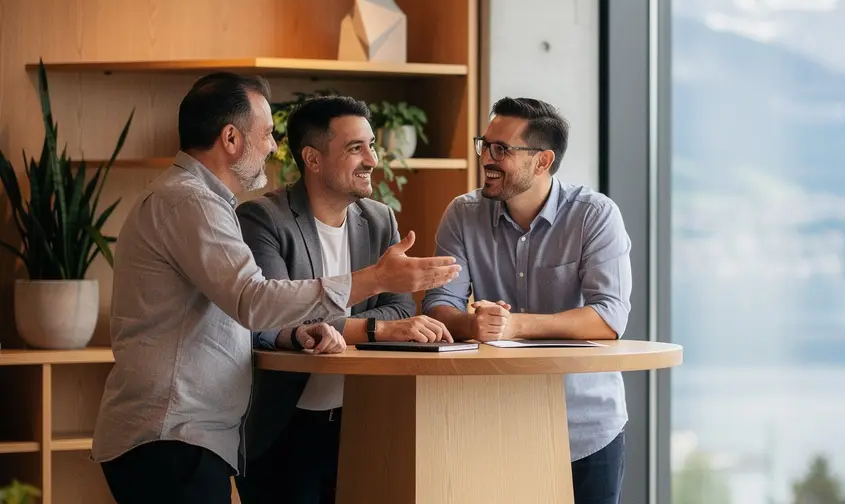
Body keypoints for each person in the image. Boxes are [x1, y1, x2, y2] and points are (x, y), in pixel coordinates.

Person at [90, 73, 461, 504]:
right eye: (266, 134)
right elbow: (253, 300)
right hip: (171, 436)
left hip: (180, 437)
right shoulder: (194, 203)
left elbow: (238, 310)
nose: (271, 146)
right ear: (230, 138)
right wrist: (375, 280)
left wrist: (295, 332)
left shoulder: (196, 200)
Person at [233, 95, 453, 504]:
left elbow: (403, 307)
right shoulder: (262, 219)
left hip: (363, 424)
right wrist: (379, 328)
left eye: (371, 145)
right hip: (283, 427)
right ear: (312, 159)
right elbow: (270, 319)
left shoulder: (379, 218)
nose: (371, 159)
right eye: (356, 148)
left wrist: (369, 323)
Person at [422, 97, 632, 504]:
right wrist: (470, 324)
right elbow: (437, 304)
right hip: (493, 423)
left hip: (585, 427)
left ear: (542, 161)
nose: (488, 158)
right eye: (485, 144)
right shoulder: (462, 214)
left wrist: (516, 326)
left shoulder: (595, 215)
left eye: (502, 149)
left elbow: (609, 317)